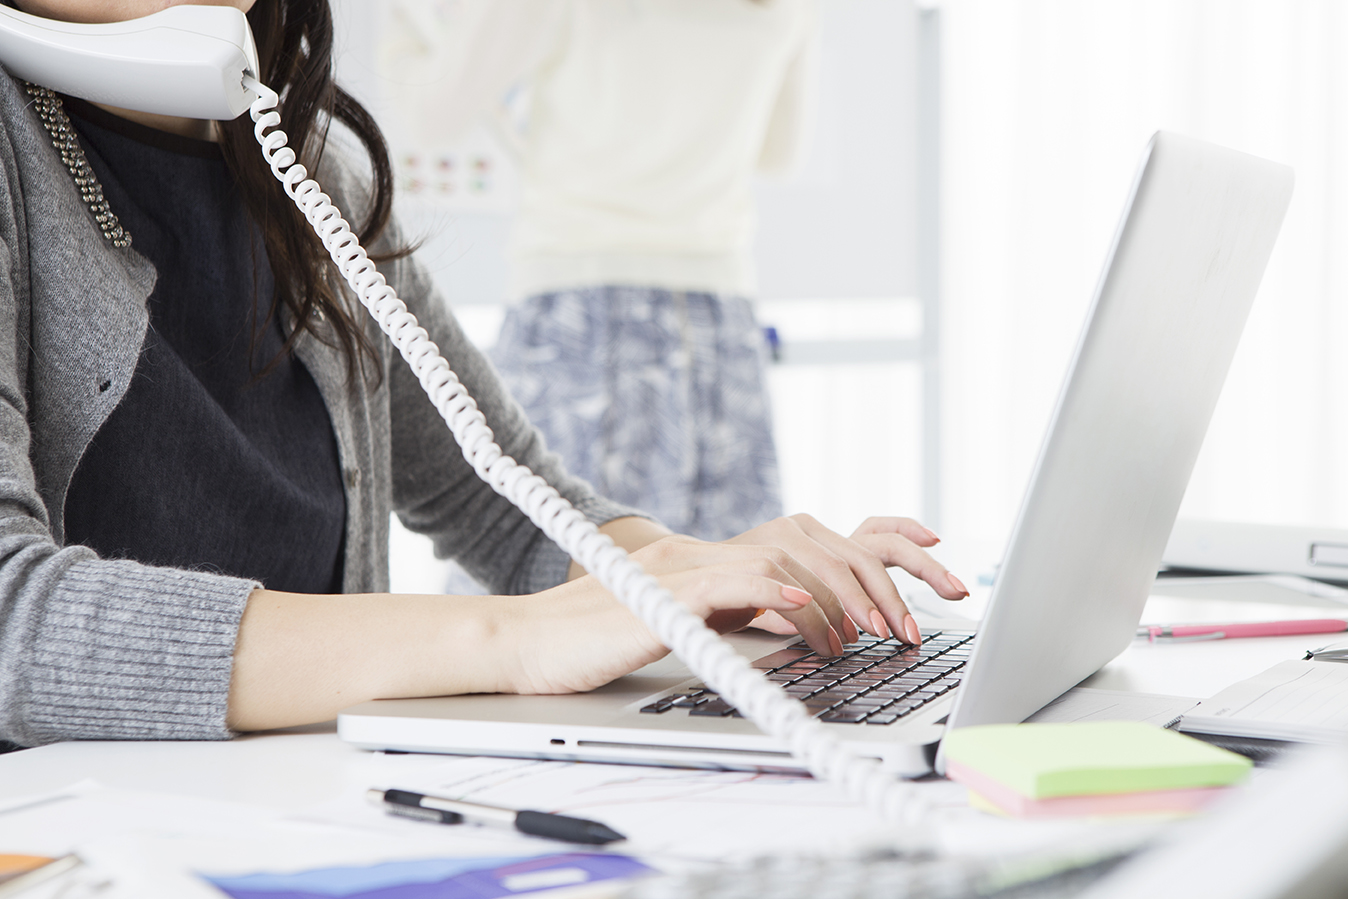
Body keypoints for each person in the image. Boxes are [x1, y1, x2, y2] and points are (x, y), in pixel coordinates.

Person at [0, 0, 968, 751]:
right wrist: (508, 637)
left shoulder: (311, 164)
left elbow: (493, 491)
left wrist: (689, 574)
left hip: (299, 799)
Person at [384, 0, 815, 541]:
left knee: (558, 571)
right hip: (719, 319)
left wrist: (402, 29)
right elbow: (780, 153)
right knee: (728, 585)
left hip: (578, 309)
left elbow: (434, 114)